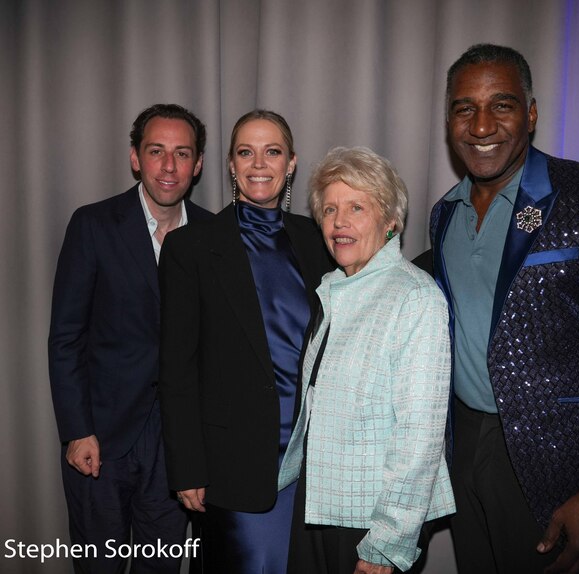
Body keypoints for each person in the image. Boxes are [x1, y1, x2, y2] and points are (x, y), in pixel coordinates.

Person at [420, 43, 579, 573]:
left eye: (502, 104)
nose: (481, 125)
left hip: (556, 468)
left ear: (531, 113)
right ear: (448, 118)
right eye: (464, 108)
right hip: (464, 451)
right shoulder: (443, 215)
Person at [158, 109, 333, 573]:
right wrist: (188, 468)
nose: (259, 164)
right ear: (231, 165)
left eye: (272, 152)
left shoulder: (318, 240)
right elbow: (176, 371)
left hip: (315, 463)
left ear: (291, 163)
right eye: (245, 152)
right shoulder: (190, 247)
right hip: (234, 464)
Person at [48, 103, 212, 572]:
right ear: (135, 158)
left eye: (182, 154)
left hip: (176, 447)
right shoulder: (93, 225)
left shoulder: (214, 236)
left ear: (197, 165)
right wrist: (76, 430)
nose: (169, 166)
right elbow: (65, 337)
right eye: (156, 151)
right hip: (100, 439)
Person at [279, 146, 456, 574]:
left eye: (356, 207)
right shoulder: (334, 290)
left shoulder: (415, 296)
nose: (339, 222)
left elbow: (420, 438)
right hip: (319, 504)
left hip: (370, 521)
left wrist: (386, 542)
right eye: (330, 209)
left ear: (390, 220)